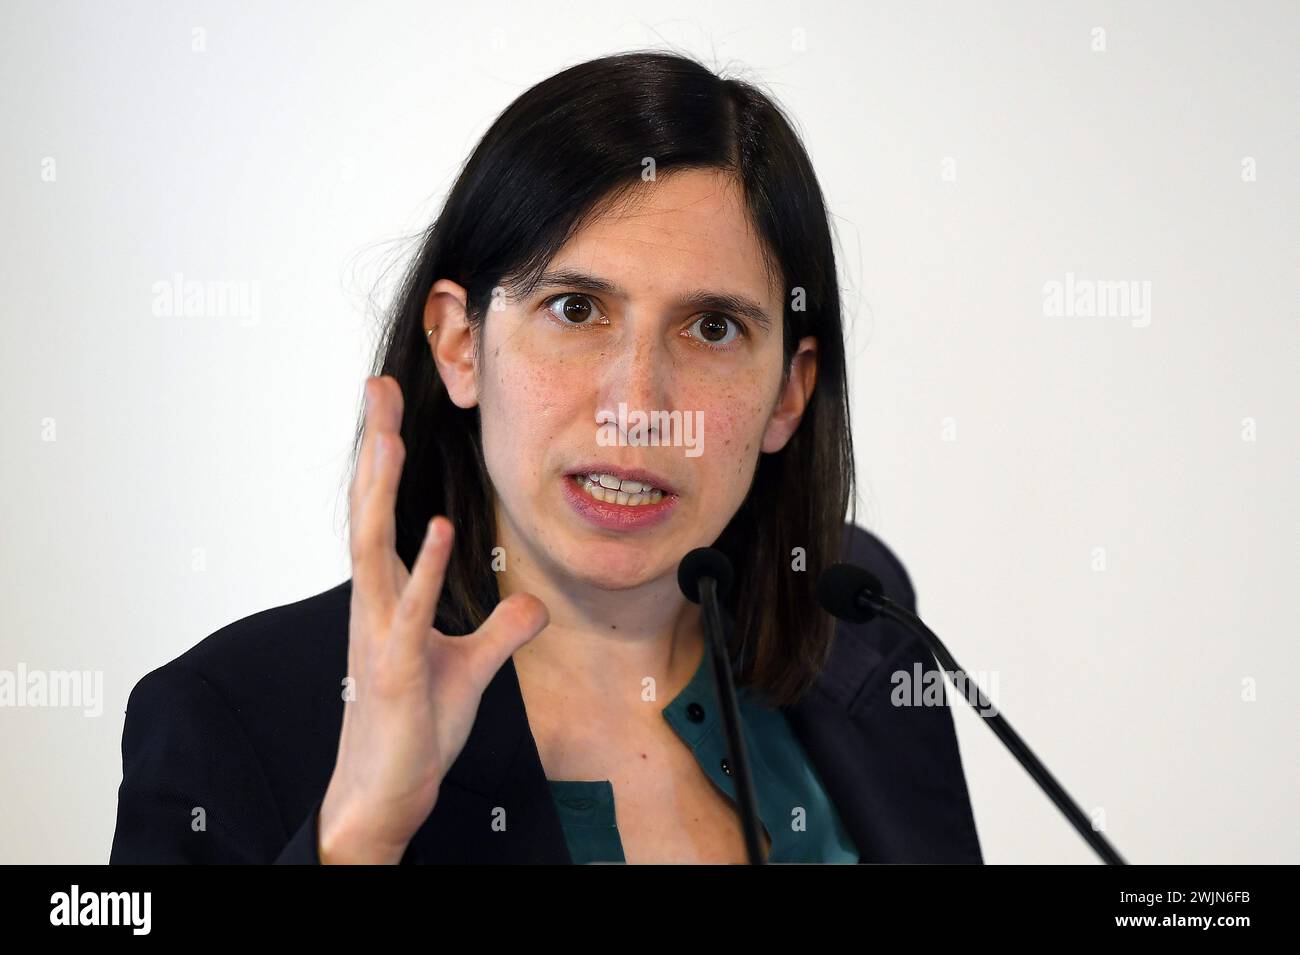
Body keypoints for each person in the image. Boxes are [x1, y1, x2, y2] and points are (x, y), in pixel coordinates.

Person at [109, 50, 982, 864]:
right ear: (459, 345)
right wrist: (359, 838)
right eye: (575, 310)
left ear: (788, 393)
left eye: (713, 328)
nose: (638, 409)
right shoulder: (231, 718)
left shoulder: (859, 618)